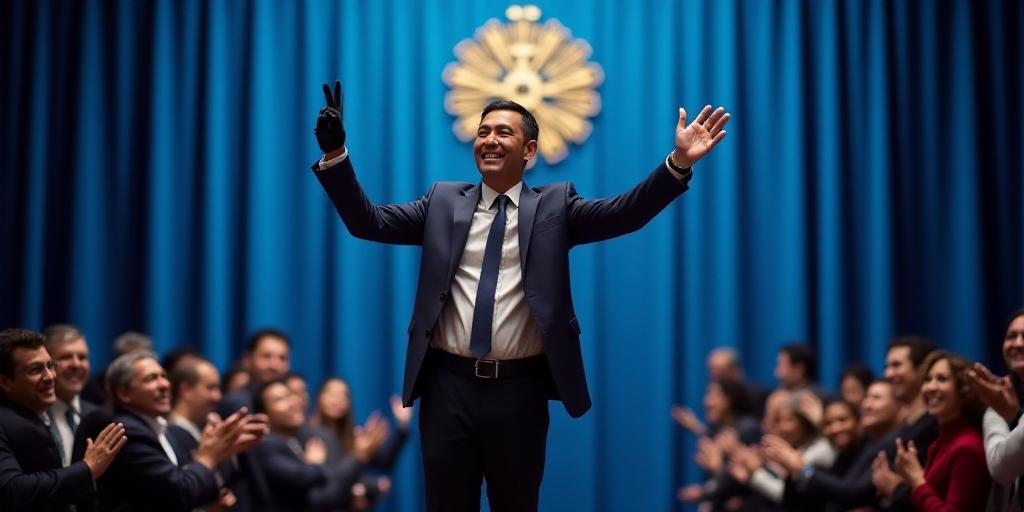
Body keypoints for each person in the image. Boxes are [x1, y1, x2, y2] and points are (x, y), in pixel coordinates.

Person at [310, 80, 730, 511]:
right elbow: (368, 223)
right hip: (446, 385)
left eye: (504, 132)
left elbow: (626, 213)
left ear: (529, 150)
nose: (490, 140)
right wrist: (336, 157)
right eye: (483, 131)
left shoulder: (555, 206)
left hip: (520, 390)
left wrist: (677, 163)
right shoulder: (441, 202)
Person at [97, 350, 266, 511]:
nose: (164, 384)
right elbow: (180, 493)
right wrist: (207, 457)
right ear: (124, 393)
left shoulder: (159, 429)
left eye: (163, 376)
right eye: (151, 379)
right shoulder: (127, 432)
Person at [0, 327, 126, 512]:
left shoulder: (99, 418)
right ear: (4, 382)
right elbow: (13, 491)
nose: (50, 377)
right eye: (35, 370)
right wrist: (87, 468)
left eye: (50, 366)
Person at [876, 351, 990, 512]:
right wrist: (909, 480)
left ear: (963, 388)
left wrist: (916, 480)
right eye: (928, 380)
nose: (931, 387)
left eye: (941, 379)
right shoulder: (942, 441)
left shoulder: (966, 447)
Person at [42, 324, 104, 468]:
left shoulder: (98, 417)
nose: (76, 365)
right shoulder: (31, 415)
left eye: (82, 357)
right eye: (65, 357)